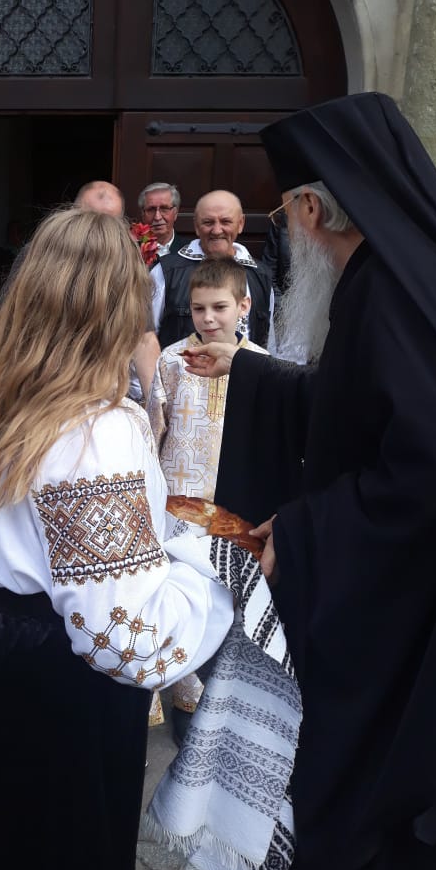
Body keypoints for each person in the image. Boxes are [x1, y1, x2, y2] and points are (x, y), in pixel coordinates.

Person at [0, 208, 241, 870]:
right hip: (47, 671)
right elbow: (119, 630)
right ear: (119, 312)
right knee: (40, 865)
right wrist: (215, 570)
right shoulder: (99, 429)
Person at [184, 92, 436, 870]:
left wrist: (300, 533)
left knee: (354, 784)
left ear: (310, 208)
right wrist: (250, 370)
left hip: (400, 616)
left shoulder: (384, 295)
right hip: (407, 590)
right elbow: (355, 409)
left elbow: (425, 468)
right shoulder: (409, 274)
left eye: (283, 210)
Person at [148, 258, 267, 744]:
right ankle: (186, 704)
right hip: (180, 504)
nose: (209, 318)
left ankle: (228, 704)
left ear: (244, 305)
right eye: (199, 308)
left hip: (236, 505)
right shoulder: (171, 360)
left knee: (233, 603)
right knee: (182, 599)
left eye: (220, 307)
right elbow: (155, 430)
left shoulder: (261, 364)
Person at [152, 190, 272, 349]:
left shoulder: (261, 275)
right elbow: (144, 337)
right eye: (208, 222)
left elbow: (270, 341)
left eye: (226, 221)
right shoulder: (166, 272)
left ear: (241, 223)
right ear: (196, 225)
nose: (216, 230)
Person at [76, 179, 161, 401]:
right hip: (49, 395)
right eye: (92, 220)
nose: (102, 232)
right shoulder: (40, 257)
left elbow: (144, 339)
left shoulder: (130, 267)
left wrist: (156, 407)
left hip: (107, 397)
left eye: (111, 223)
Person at [138, 181, 191, 258]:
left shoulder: (190, 250)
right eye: (151, 210)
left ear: (175, 213)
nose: (157, 217)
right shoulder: (132, 251)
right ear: (143, 214)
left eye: (164, 209)